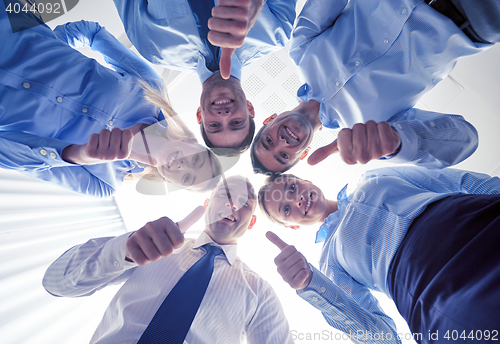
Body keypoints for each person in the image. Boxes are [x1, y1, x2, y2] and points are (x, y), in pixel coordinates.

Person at [251, 0, 500, 174]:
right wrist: (397, 144)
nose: (282, 142)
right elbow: (465, 138)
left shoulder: (301, 49)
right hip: (476, 19)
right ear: (302, 155)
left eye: (269, 141)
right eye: (284, 156)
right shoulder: (375, 134)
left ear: (269, 119)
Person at [0, 3, 221, 197]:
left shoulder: (103, 183)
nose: (184, 166)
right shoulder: (151, 87)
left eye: (186, 179)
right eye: (196, 160)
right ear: (194, 144)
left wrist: (75, 154)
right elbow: (93, 33)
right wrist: (47, 46)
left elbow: (9, 156)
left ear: (170, 183)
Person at [259, 167, 500, 343]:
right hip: (434, 290)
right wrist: (310, 285)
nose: (296, 198)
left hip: (475, 218)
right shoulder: (328, 262)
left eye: (292, 188)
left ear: (306, 180)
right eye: (286, 208)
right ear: (291, 226)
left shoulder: (374, 177)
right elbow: (383, 338)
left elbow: (458, 181)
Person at [43, 175, 294, 344]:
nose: (232, 206)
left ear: (251, 221)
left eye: (244, 203)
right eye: (225, 196)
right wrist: (124, 251)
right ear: (207, 204)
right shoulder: (150, 244)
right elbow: (55, 282)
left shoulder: (260, 292)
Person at [112, 0, 297, 155]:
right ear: (250, 109)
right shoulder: (276, 33)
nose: (224, 116)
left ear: (200, 115)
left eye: (215, 125)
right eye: (236, 123)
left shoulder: (154, 49)